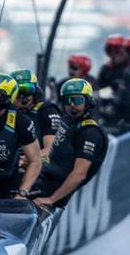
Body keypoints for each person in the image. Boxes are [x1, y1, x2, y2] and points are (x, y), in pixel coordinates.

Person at [33, 78, 108, 208]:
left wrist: (51, 199)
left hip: (53, 188)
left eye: (77, 100)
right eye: (67, 100)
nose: (72, 105)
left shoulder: (90, 133)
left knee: (12, 193)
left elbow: (79, 175)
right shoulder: (69, 120)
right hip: (44, 175)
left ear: (88, 101)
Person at [0, 72, 41, 200]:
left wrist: (21, 194)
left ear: (5, 99)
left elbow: (35, 161)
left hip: (7, 186)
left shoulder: (21, 122)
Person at [11, 68, 62, 158]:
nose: (22, 96)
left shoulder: (47, 111)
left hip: (34, 164)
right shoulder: (4, 111)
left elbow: (51, 150)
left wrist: (29, 160)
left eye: (27, 90)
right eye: (18, 92)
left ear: (35, 92)